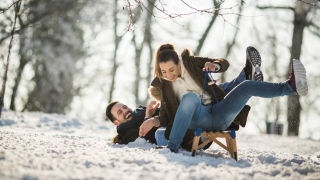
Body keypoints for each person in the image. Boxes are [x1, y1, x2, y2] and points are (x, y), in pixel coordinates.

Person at [139, 43, 308, 153]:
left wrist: (215, 65)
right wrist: (152, 121)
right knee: (190, 97)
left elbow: (224, 62)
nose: (168, 74)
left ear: (178, 62)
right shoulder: (166, 87)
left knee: (247, 86)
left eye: (171, 69)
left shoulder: (191, 63)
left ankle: (291, 87)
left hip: (218, 114)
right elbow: (166, 116)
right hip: (197, 120)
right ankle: (172, 147)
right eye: (163, 72)